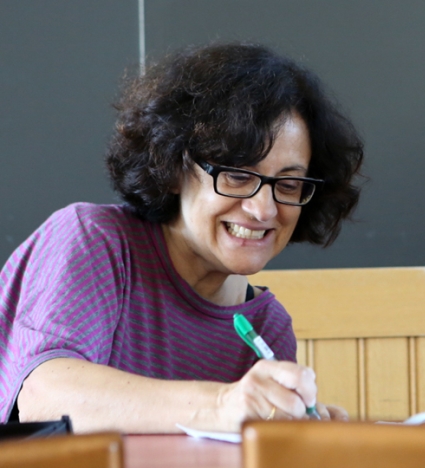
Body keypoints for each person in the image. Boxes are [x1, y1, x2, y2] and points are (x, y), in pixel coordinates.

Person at [0, 43, 364, 432]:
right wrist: (223, 405)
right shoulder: (95, 242)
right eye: (238, 176)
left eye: (288, 184)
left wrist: (292, 438)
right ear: (174, 167)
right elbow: (45, 398)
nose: (264, 210)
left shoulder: (267, 326)